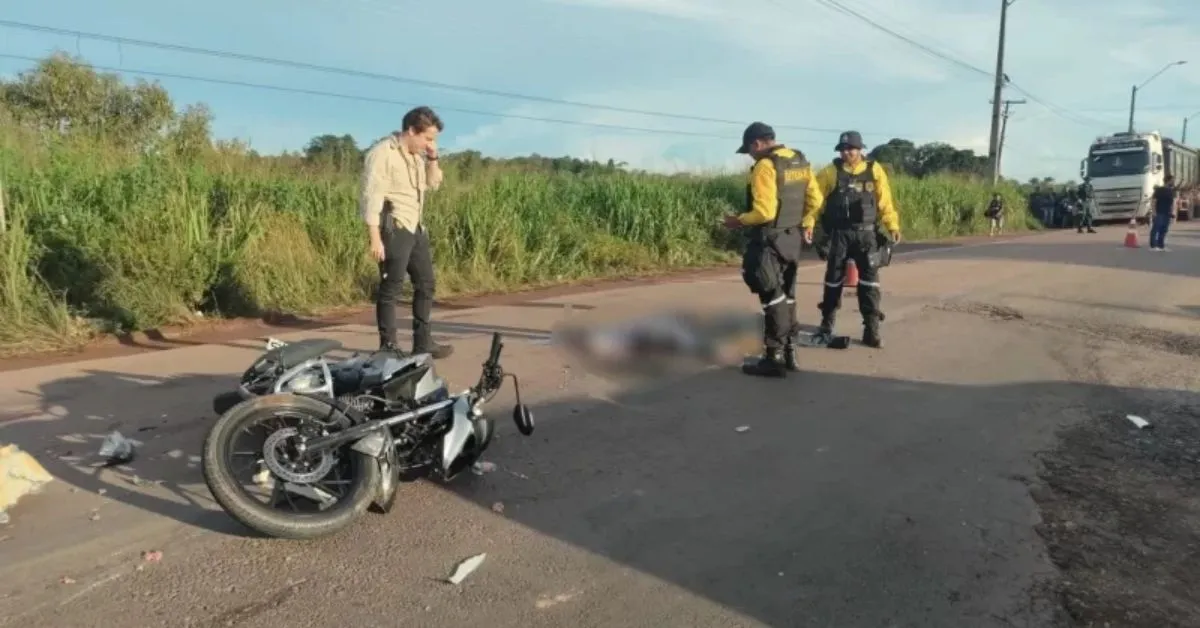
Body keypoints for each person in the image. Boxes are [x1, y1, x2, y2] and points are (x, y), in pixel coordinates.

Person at [722, 122, 824, 377]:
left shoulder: (765, 167)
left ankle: (773, 357)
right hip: (792, 237)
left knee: (771, 296)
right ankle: (790, 351)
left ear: (756, 144)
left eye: (749, 151)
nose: (750, 156)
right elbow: (816, 199)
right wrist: (807, 223)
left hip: (769, 239)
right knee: (788, 294)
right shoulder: (799, 160)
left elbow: (764, 212)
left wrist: (739, 221)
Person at [360, 106, 453, 358]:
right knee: (391, 288)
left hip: (416, 226)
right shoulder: (382, 154)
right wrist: (375, 238)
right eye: (428, 138)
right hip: (394, 227)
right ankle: (388, 348)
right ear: (411, 131)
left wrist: (433, 158)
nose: (429, 144)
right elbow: (371, 197)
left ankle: (423, 342)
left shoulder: (416, 156)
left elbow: (433, 184)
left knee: (426, 284)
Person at [802, 131, 901, 349]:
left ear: (860, 149)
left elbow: (885, 201)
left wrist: (892, 225)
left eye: (851, 149)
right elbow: (815, 201)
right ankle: (826, 327)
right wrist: (809, 223)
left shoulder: (875, 170)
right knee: (833, 281)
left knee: (869, 283)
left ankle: (871, 330)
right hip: (839, 234)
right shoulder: (830, 172)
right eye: (843, 149)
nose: (847, 153)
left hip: (867, 235)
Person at [1149, 174, 1177, 251]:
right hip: (1159, 212)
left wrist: (1172, 213)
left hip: (1167, 213)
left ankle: (1161, 245)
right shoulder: (1159, 190)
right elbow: (1154, 201)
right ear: (1168, 181)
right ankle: (1153, 246)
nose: (1173, 182)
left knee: (1164, 230)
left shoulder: (1171, 191)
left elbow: (1172, 203)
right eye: (1172, 180)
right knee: (1156, 228)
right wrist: (1154, 212)